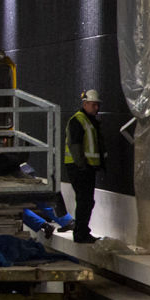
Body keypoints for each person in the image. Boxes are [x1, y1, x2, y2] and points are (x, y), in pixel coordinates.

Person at [62, 88, 106, 243]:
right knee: (84, 201)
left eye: (97, 105)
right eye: (93, 104)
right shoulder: (78, 120)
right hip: (79, 168)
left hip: (86, 167)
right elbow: (75, 145)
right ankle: (81, 234)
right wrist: (82, 165)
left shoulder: (89, 121)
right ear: (85, 104)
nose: (96, 108)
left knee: (86, 201)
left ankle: (82, 232)